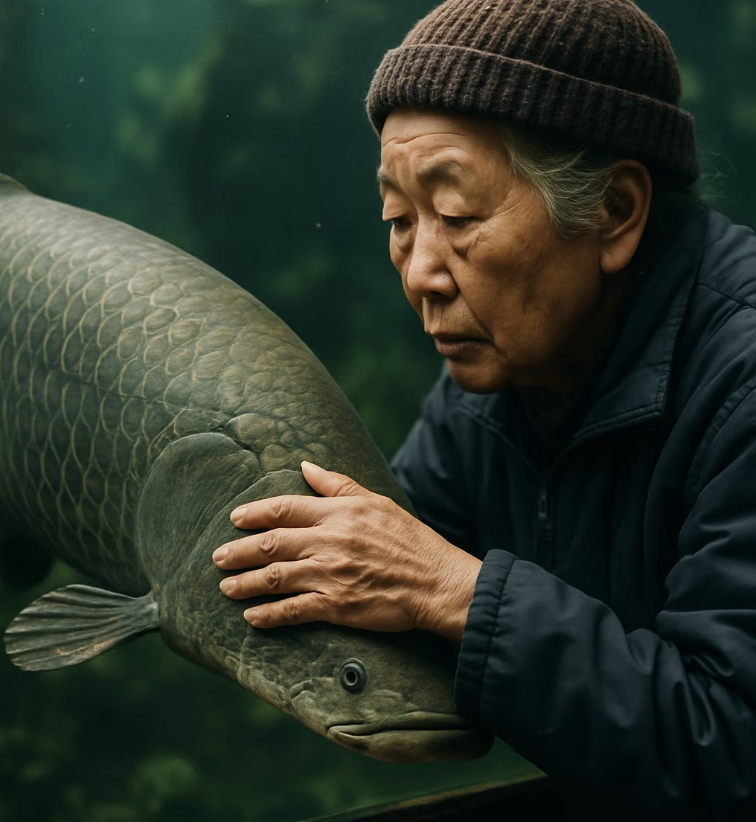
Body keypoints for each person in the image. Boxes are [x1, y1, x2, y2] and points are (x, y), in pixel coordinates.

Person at [211, 0, 756, 817]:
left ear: (615, 212)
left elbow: (732, 746)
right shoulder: (494, 385)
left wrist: (457, 592)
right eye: (399, 219)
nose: (420, 271)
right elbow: (366, 585)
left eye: (457, 215)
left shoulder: (741, 378)